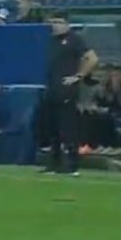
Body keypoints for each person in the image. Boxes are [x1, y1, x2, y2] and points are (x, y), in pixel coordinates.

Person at [40, 10, 99, 176]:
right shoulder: (51, 41)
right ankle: (54, 164)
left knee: (68, 129)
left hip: (66, 90)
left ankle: (72, 165)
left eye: (58, 22)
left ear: (67, 24)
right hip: (51, 89)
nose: (55, 25)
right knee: (52, 129)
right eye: (53, 22)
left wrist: (78, 76)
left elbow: (92, 58)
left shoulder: (75, 40)